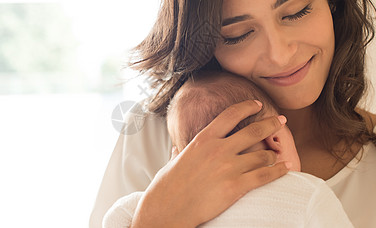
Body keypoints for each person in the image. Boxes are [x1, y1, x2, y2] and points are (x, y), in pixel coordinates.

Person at [90, 0, 376, 227]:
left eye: (297, 12)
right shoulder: (150, 134)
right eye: (238, 35)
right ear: (207, 47)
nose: (280, 54)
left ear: (333, 1)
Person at [102, 71, 354, 227]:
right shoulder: (307, 192)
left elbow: (112, 219)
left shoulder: (155, 200)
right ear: (275, 140)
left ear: (176, 158)